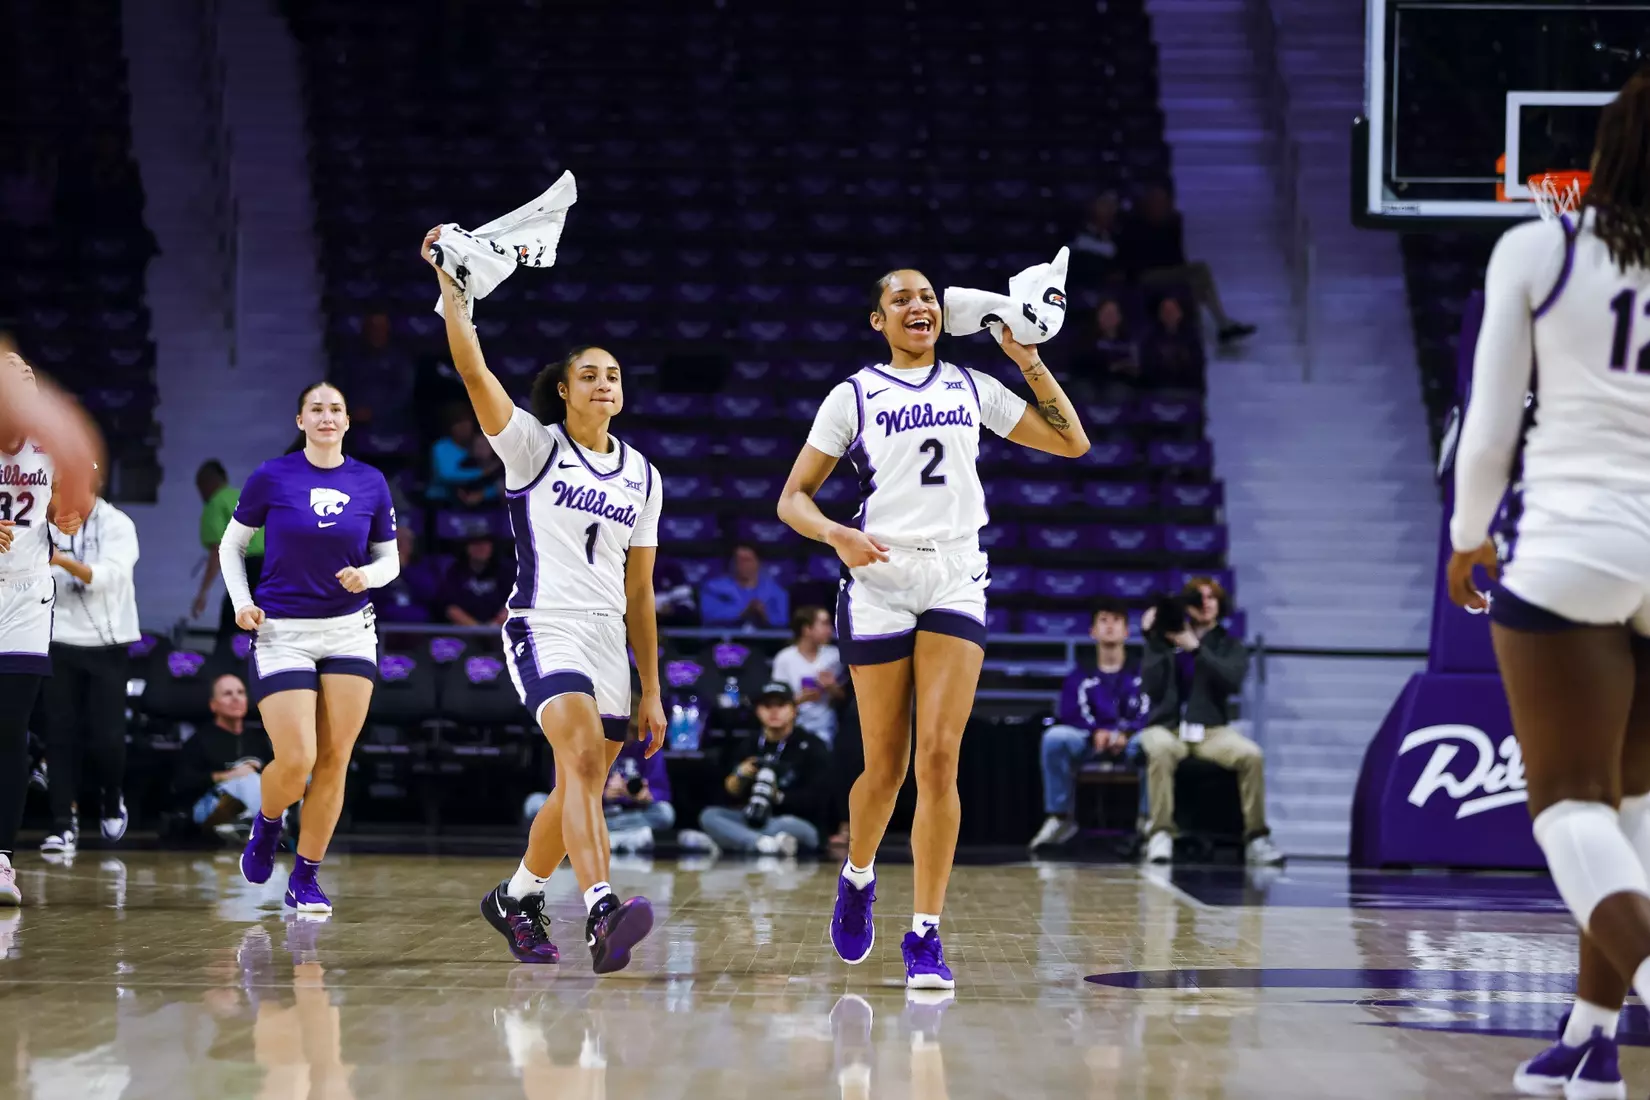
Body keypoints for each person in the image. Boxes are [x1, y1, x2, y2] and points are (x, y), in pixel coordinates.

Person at [777, 267, 1090, 989]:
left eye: (925, 297)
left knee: (939, 761)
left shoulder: (972, 386)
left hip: (954, 575)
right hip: (879, 578)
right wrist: (835, 536)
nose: (916, 305)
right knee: (883, 769)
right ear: (877, 320)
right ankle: (857, 875)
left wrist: (1029, 359)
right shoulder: (853, 394)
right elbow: (792, 498)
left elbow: (1072, 443)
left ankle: (925, 935)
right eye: (899, 298)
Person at [1445, 72, 1650, 1100]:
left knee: (1569, 807)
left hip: (1577, 542)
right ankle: (1592, 1035)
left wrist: (1467, 535)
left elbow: (1492, 426)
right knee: (1636, 808)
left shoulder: (1540, 247)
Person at [424, 224, 664, 974]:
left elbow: (640, 588)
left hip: (608, 641)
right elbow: (472, 372)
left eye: (613, 375)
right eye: (589, 374)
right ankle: (601, 911)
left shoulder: (644, 476)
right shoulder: (534, 446)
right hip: (543, 625)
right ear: (564, 390)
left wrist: (651, 686)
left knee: (578, 785)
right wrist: (452, 294)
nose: (603, 384)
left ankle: (517, 896)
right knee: (584, 760)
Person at [219, 381, 401, 914]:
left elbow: (389, 560)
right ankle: (268, 823)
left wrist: (366, 576)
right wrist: (241, 603)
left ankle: (306, 876)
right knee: (296, 758)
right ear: (300, 420)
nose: (327, 417)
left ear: (347, 421)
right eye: (316, 409)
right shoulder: (272, 475)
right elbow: (233, 545)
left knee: (335, 759)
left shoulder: (371, 481)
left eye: (336, 409)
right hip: (282, 632)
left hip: (349, 630)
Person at [0, 348, 84, 905]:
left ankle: (1, 858)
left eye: (28, 375)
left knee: (10, 731)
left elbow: (74, 506)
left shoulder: (52, 444)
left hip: (27, 596)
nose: (24, 380)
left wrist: (67, 514)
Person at [1135, 578, 1282, 866]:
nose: (1205, 603)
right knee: (1160, 749)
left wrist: (1196, 649)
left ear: (1220, 604)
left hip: (1211, 730)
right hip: (1167, 727)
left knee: (1251, 755)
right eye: (1198, 598)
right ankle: (1160, 833)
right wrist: (1152, 638)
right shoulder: (1164, 639)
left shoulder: (1230, 645)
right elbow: (1151, 687)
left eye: (1212, 597)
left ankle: (1256, 837)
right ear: (1187, 605)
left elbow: (1231, 681)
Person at [40, 466, 141, 853]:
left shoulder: (118, 524)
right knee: (59, 736)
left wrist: (59, 560)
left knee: (107, 737)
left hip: (108, 643)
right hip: (58, 638)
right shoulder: (44, 524)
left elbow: (105, 578)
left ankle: (112, 798)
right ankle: (62, 824)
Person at [1029, 600, 1145, 851]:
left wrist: (1126, 732)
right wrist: (1095, 732)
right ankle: (1060, 818)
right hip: (1089, 741)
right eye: (1103, 620)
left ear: (1127, 631)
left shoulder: (1141, 674)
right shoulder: (1079, 675)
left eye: (1117, 621)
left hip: (1130, 740)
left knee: (1152, 742)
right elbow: (1070, 713)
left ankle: (1147, 823)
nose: (1110, 626)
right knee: (1055, 738)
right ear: (1092, 631)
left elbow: (1149, 710)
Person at [681, 682, 833, 856]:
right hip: (752, 820)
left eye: (781, 705)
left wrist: (778, 797)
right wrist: (740, 776)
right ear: (758, 711)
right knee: (709, 816)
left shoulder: (812, 746)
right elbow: (728, 794)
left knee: (785, 826)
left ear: (793, 710)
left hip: (794, 821)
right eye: (767, 706)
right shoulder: (747, 745)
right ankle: (762, 844)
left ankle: (734, 841)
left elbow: (819, 800)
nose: (774, 711)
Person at [1120, 182, 1255, 344]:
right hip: (1144, 275)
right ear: (1147, 203)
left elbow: (1176, 256)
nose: (1160, 205)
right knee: (1199, 272)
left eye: (1164, 201)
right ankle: (1219, 325)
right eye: (1156, 201)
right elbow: (1133, 260)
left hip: (1168, 271)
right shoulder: (1134, 225)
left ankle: (1217, 327)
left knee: (1198, 277)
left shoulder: (1173, 222)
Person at [175, 674, 273, 840]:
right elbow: (182, 783)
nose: (236, 698)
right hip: (210, 806)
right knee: (247, 781)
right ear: (214, 705)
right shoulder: (199, 740)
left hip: (256, 800)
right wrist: (227, 776)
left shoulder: (258, 739)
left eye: (240, 693)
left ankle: (249, 823)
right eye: (228, 694)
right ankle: (273, 827)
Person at [192, 459, 265, 651]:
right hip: (275, 569)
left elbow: (217, 550)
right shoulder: (244, 496)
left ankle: (226, 672)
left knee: (232, 627)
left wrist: (202, 593)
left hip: (251, 569)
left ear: (208, 482)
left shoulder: (216, 502)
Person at [770, 605, 845, 744]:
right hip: (793, 728)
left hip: (827, 729)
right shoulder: (785, 658)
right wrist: (799, 700)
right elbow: (777, 698)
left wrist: (831, 687)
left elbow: (845, 698)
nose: (830, 630)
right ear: (807, 629)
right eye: (824, 624)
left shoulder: (834, 656)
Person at [603, 735, 675, 853]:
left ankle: (606, 834)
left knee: (665, 813)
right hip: (604, 811)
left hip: (638, 812)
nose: (629, 735)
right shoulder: (594, 740)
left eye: (634, 730)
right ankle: (631, 838)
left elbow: (662, 792)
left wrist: (647, 796)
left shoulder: (650, 743)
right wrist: (603, 795)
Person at [699, 543, 790, 628]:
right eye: (738, 560)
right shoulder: (714, 588)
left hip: (763, 641)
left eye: (747, 560)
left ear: (758, 563)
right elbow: (709, 615)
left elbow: (782, 621)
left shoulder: (776, 592)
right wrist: (743, 611)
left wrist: (765, 615)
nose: (742, 565)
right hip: (723, 640)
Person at [427, 406, 502, 505]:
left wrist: (483, 494)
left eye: (466, 421)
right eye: (458, 422)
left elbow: (501, 482)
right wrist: (482, 473)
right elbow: (447, 475)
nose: (463, 426)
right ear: (450, 426)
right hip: (442, 502)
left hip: (482, 504)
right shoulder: (441, 446)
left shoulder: (480, 442)